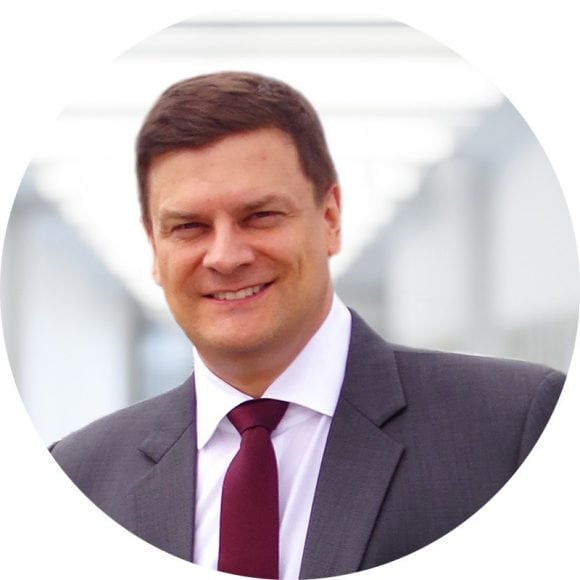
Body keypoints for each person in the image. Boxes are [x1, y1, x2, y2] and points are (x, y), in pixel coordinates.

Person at [50, 71, 565, 579]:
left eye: (260, 216)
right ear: (154, 248)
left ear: (330, 219)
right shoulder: (78, 479)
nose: (225, 256)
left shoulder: (512, 429)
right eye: (189, 227)